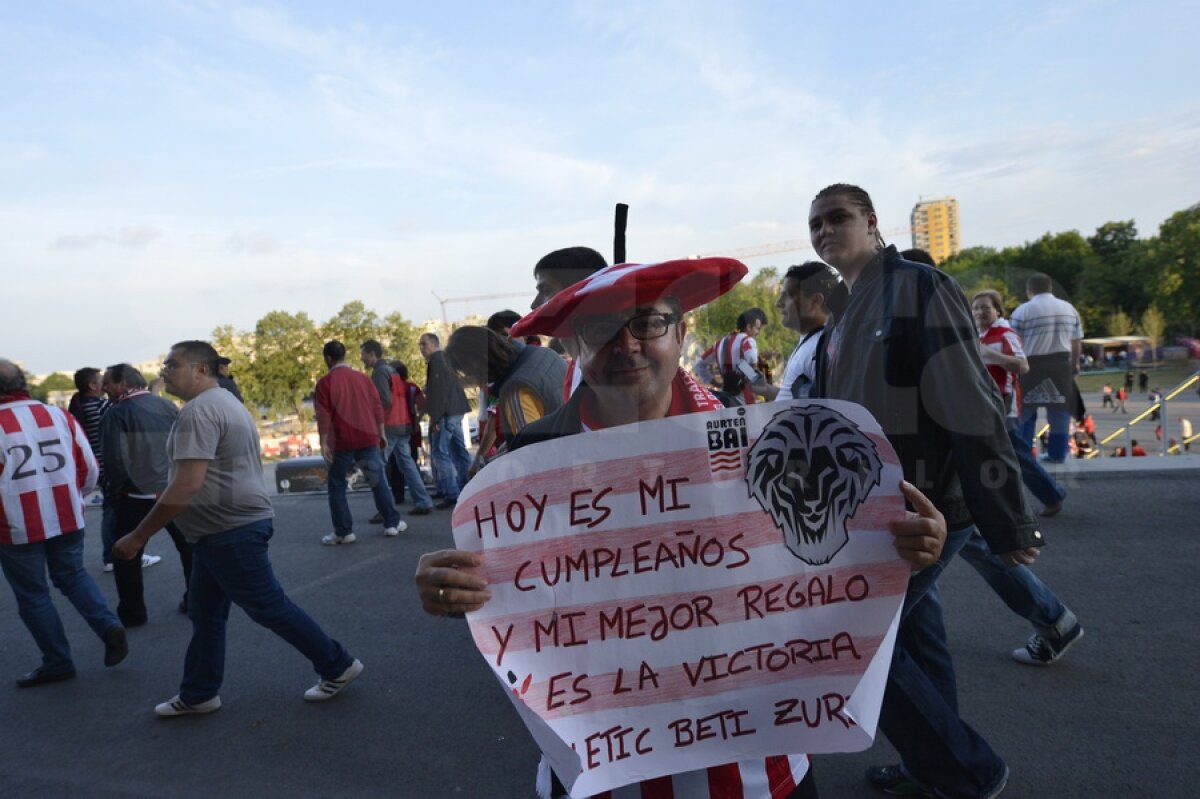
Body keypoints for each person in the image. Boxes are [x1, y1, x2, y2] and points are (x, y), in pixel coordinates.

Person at [415, 258, 948, 799]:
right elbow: (502, 591)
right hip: (603, 764)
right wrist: (450, 587)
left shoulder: (764, 440)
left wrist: (906, 541)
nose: (626, 344)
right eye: (601, 330)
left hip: (759, 762)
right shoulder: (526, 466)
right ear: (576, 345)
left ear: (681, 331)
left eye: (648, 322)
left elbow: (838, 541)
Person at [808, 183, 1042, 799]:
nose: (825, 231)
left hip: (932, 503)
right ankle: (932, 766)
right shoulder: (843, 308)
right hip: (876, 509)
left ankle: (967, 770)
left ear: (871, 221)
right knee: (914, 634)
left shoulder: (919, 286)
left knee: (847, 640)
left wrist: (1008, 520)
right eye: (815, 225)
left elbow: (972, 403)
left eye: (837, 218)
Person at [112, 341, 363, 716]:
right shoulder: (225, 402)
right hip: (221, 530)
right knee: (207, 613)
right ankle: (199, 693)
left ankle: (336, 663)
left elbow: (186, 485)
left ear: (200, 370)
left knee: (266, 607)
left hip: (229, 529)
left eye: (172, 364)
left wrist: (137, 537)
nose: (164, 372)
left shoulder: (199, 411)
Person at [0, 359, 128, 687]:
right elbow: (88, 467)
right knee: (72, 576)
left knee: (33, 595)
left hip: (15, 525)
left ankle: (57, 661)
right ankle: (108, 625)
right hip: (67, 514)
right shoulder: (58, 415)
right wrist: (76, 497)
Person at [99, 363, 194, 622]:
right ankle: (195, 600)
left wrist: (114, 493)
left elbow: (115, 460)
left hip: (135, 496)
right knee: (188, 549)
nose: (104, 387)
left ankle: (133, 613)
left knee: (127, 554)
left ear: (123, 384)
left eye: (108, 382)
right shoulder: (167, 406)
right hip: (173, 491)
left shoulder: (116, 414)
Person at [971, 290, 1067, 517]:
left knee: (1016, 455)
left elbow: (1022, 366)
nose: (980, 312)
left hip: (1003, 406)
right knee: (991, 456)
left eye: (986, 307)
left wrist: (988, 354)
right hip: (982, 405)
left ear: (997, 310)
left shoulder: (1004, 333)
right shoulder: (977, 336)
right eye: (976, 308)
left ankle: (1051, 495)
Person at [314, 340, 405, 544]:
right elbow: (377, 407)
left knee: (337, 484)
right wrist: (381, 432)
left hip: (342, 440)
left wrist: (324, 442)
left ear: (328, 359)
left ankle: (344, 531)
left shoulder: (324, 384)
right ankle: (391, 523)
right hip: (367, 436)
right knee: (377, 479)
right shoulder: (363, 378)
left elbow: (323, 415)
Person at [1009, 273, 1084, 463]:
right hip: (1061, 366)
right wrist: (1074, 365)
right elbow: (1076, 342)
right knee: (1059, 412)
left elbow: (1013, 343)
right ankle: (1057, 454)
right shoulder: (1069, 309)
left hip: (1030, 367)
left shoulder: (1022, 311)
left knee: (1025, 412)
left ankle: (1024, 456)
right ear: (1050, 288)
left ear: (1029, 290)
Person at [445, 326, 567, 442]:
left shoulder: (516, 390)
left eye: (468, 372)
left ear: (477, 363)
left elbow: (531, 450)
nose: (476, 382)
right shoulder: (544, 353)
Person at [360, 340, 433, 518]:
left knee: (378, 466)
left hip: (390, 425)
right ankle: (423, 500)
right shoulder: (392, 371)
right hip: (403, 423)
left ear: (372, 354)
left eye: (363, 354)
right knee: (407, 464)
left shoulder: (379, 372)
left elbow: (384, 400)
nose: (361, 358)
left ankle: (385, 508)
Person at [531, 246, 609, 401]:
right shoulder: (576, 366)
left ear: (579, 294)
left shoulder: (612, 370)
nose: (534, 305)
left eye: (546, 291)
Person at [419, 332, 473, 509]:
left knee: (440, 453)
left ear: (434, 344)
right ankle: (468, 486)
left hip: (447, 413)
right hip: (456, 410)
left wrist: (435, 418)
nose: (421, 348)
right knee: (459, 451)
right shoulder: (444, 359)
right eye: (420, 345)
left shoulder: (437, 361)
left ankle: (451, 492)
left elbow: (439, 392)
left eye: (424, 344)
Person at [774, 262, 838, 401]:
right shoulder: (813, 342)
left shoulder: (822, 348)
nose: (778, 303)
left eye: (787, 296)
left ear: (815, 301)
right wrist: (767, 390)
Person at [694, 307, 770, 405]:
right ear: (748, 327)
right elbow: (751, 366)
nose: (758, 333)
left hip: (726, 399)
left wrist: (717, 383)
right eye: (757, 329)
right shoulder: (748, 341)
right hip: (746, 402)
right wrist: (762, 360)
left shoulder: (719, 344)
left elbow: (699, 365)